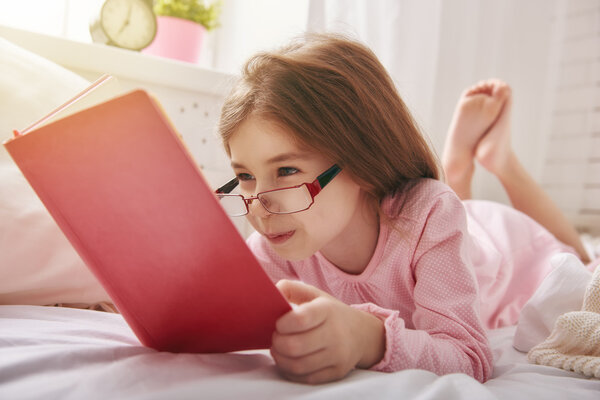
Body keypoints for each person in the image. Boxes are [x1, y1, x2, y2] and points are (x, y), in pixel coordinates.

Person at [214, 33, 589, 385]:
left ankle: (498, 162)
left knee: (582, 263)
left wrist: (368, 337)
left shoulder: (431, 212)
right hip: (443, 222)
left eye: (287, 171)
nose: (259, 207)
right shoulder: (273, 247)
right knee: (454, 204)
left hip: (506, 250)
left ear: (361, 162)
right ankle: (458, 172)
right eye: (245, 176)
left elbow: (470, 356)